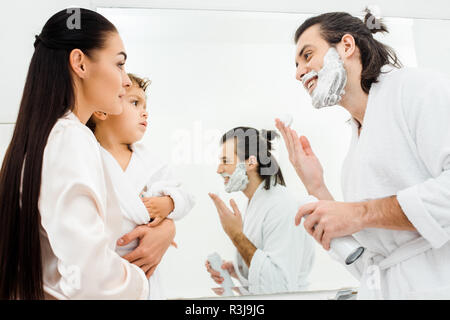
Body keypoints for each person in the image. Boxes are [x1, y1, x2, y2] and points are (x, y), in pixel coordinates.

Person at [276, 10, 450, 299]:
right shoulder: (357, 144)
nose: (298, 73)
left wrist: (359, 214)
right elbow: (371, 261)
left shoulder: (419, 90)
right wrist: (316, 186)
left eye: (307, 56)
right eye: (296, 64)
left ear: (346, 46)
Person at [0, 8, 160, 299]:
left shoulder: (45, 136)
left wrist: (165, 228)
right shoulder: (69, 138)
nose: (126, 80)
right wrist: (139, 280)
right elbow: (90, 276)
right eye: (119, 64)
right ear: (80, 63)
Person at [87, 73, 195, 299]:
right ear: (102, 110)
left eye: (145, 105)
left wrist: (169, 203)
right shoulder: (89, 156)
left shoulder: (151, 163)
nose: (145, 112)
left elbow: (186, 197)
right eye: (135, 103)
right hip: (103, 270)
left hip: (145, 272)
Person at [206, 127, 315, 295]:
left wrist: (235, 234)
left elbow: (279, 287)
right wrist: (237, 270)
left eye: (226, 161)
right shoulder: (256, 202)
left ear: (250, 162)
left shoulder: (281, 205)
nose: (219, 169)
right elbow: (266, 267)